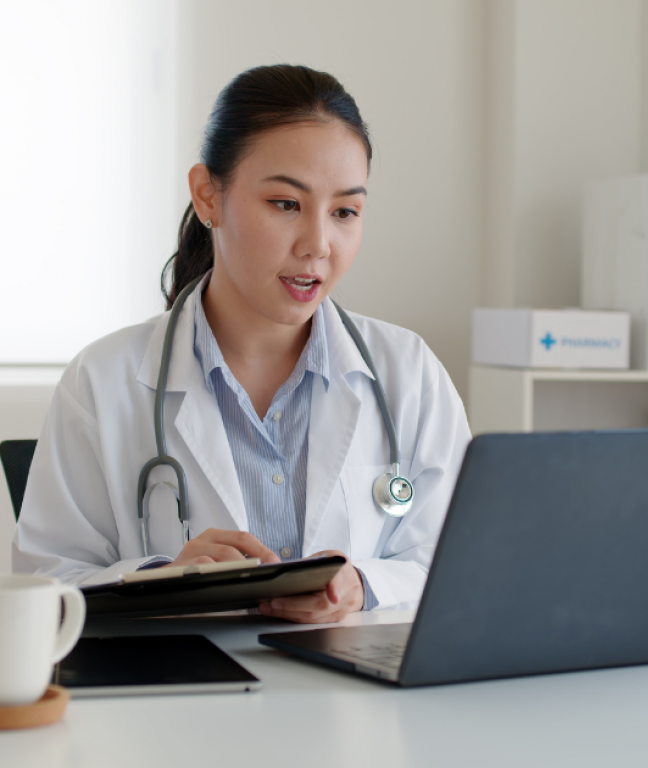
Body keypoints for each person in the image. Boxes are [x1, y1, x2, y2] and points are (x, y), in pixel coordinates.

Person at [12, 65, 471, 623]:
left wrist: (362, 585)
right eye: (285, 204)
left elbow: (463, 563)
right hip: (183, 696)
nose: (318, 245)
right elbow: (43, 587)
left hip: (358, 702)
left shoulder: (409, 372)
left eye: (345, 211)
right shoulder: (101, 382)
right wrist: (163, 578)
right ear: (208, 196)